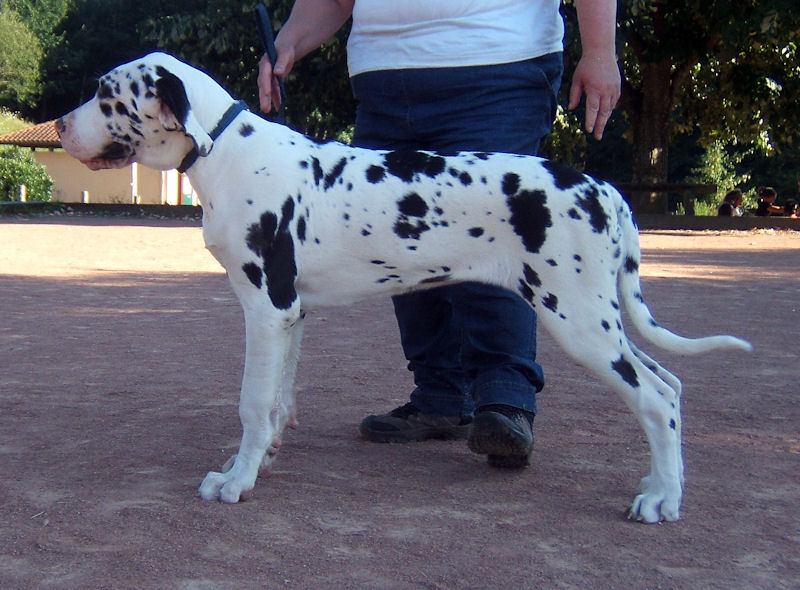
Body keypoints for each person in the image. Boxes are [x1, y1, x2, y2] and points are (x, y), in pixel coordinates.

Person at [258, 0, 620, 468]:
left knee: (493, 239)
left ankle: (504, 401)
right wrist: (289, 38)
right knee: (396, 245)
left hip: (497, 66)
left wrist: (600, 50)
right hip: (384, 79)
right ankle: (442, 397)